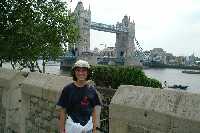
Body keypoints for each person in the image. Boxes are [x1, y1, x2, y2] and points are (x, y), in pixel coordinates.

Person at [57, 60, 101, 133]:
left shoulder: (92, 90)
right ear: (74, 72)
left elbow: (93, 111)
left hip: (88, 128)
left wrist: (94, 130)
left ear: (88, 73)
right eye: (78, 70)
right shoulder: (67, 89)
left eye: (83, 70)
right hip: (72, 128)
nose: (81, 73)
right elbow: (63, 111)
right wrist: (61, 130)